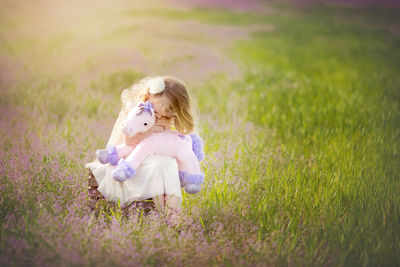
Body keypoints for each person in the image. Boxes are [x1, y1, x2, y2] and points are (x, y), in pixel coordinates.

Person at [85, 76, 195, 225]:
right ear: (149, 96)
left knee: (168, 164)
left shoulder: (163, 115)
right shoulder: (137, 110)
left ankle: (172, 213)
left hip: (150, 156)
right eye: (163, 106)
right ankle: (168, 214)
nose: (165, 112)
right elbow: (129, 142)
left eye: (170, 110)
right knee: (163, 165)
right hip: (130, 157)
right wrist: (153, 129)